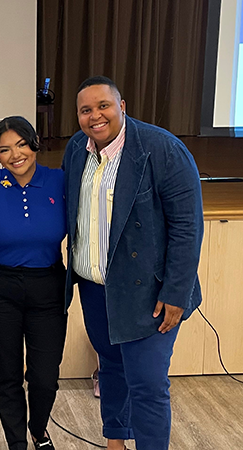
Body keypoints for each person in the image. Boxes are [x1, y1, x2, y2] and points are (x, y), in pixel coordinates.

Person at [62, 76, 203, 450]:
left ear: (121, 106)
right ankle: (116, 442)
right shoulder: (77, 149)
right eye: (86, 110)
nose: (96, 116)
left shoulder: (163, 149)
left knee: (147, 384)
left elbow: (187, 228)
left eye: (103, 106)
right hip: (95, 290)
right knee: (110, 370)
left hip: (150, 294)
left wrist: (177, 293)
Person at [0, 116, 67, 450]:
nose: (15, 154)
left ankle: (39, 430)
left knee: (45, 377)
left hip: (48, 286)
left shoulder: (59, 181)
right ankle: (17, 443)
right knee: (8, 373)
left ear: (34, 143)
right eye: (4, 150)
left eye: (21, 144)